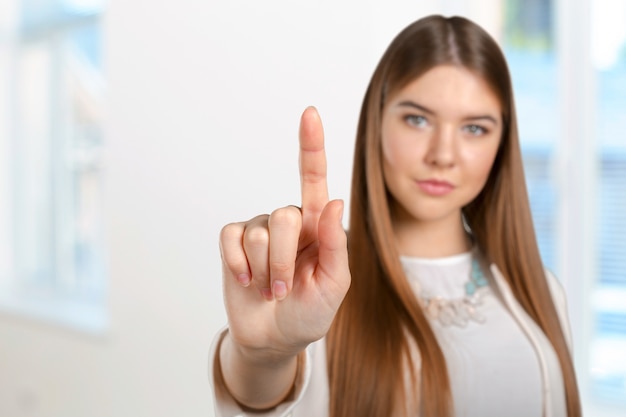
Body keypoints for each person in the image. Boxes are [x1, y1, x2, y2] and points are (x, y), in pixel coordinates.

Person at [209, 14, 581, 417]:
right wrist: (264, 355)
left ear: (502, 143)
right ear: (377, 122)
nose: (443, 154)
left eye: (475, 128)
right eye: (417, 119)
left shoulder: (542, 293)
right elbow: (257, 393)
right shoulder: (315, 285)